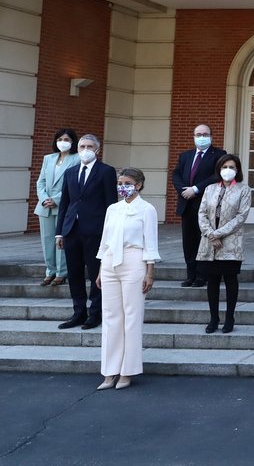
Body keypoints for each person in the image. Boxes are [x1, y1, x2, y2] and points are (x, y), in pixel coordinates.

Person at [95, 167, 160, 391]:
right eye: (120, 183)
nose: (123, 186)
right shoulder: (113, 209)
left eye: (128, 182)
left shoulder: (147, 209)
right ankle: (109, 370)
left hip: (134, 261)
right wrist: (101, 269)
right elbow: (105, 241)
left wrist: (150, 272)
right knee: (111, 317)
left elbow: (150, 242)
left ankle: (128, 370)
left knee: (132, 317)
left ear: (139, 185)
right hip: (110, 262)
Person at [55, 134, 117, 331]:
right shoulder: (71, 172)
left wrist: (110, 232)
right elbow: (65, 203)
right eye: (82, 146)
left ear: (97, 149)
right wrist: (59, 233)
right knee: (74, 273)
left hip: (96, 231)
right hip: (71, 229)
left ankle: (95, 313)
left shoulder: (106, 171)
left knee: (96, 273)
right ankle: (78, 312)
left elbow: (111, 204)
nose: (85, 150)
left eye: (90, 146)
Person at [196, 154, 251, 334]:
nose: (228, 170)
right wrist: (210, 234)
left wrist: (218, 233)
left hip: (230, 242)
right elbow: (202, 212)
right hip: (209, 241)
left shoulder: (244, 190)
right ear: (219, 169)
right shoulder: (210, 188)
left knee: (230, 280)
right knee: (212, 281)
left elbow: (241, 216)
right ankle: (213, 318)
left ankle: (229, 317)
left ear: (237, 170)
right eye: (225, 166)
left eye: (232, 167)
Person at [171, 124, 225, 287]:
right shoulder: (185, 155)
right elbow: (176, 174)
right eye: (198, 134)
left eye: (205, 134)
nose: (201, 137)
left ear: (211, 136)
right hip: (187, 204)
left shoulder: (219, 154)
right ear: (194, 136)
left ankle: (203, 275)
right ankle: (191, 275)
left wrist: (196, 189)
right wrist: (184, 190)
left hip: (206, 204)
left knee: (205, 241)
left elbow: (217, 176)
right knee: (189, 242)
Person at [34, 128, 79, 287]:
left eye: (66, 140)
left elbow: (75, 184)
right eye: (60, 139)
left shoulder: (77, 159)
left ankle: (61, 273)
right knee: (47, 241)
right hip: (45, 206)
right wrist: (45, 198)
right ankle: (50, 271)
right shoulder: (48, 158)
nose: (63, 142)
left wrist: (57, 199)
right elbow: (40, 182)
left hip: (64, 205)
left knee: (61, 240)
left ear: (73, 142)